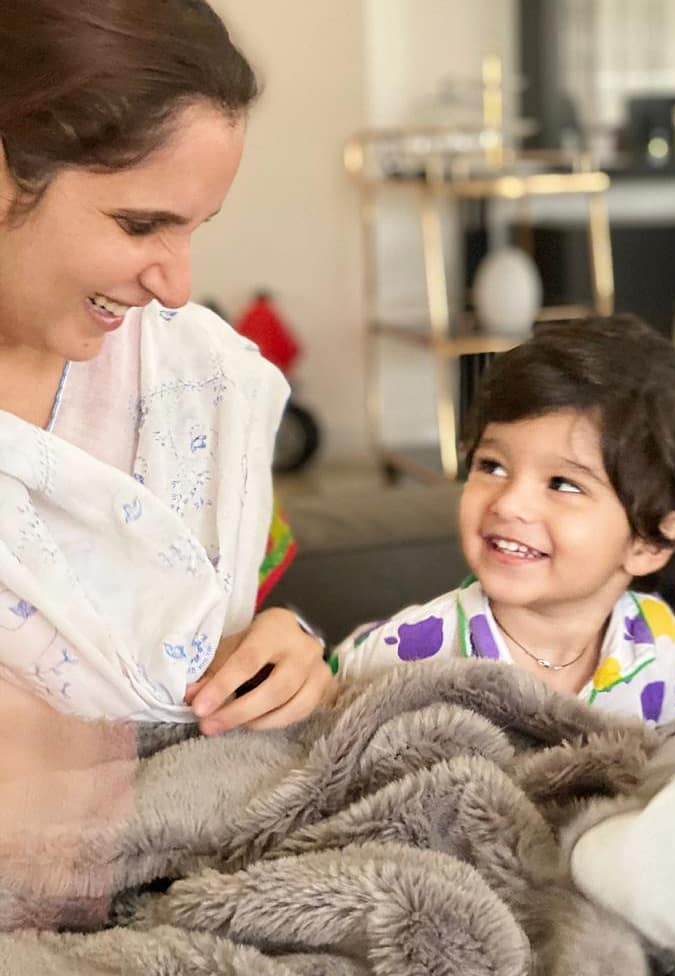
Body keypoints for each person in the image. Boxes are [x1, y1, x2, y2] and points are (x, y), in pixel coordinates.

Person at [0, 0, 337, 736]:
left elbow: (220, 648)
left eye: (194, 229)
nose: (176, 288)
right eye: (141, 224)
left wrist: (283, 655)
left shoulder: (198, 382)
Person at [333, 316, 675, 780]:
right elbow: (316, 715)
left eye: (563, 484)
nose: (510, 503)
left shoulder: (655, 644)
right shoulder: (415, 646)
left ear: (649, 543)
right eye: (492, 467)